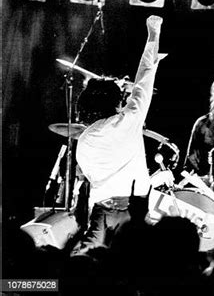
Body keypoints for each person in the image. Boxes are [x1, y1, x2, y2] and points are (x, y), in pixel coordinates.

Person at [73, 15, 173, 253]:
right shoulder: (128, 120)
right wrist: (153, 35)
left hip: (100, 213)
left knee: (84, 261)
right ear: (115, 102)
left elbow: (88, 174)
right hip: (131, 211)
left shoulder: (84, 139)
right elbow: (144, 79)